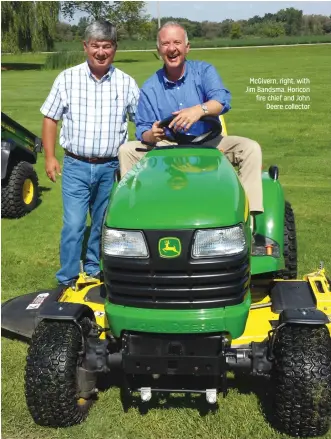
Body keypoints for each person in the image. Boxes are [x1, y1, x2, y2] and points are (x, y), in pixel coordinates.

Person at [119, 21, 263, 223]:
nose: (172, 49)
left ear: (187, 47)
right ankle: (131, 218)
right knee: (126, 150)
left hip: (208, 142)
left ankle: (248, 218)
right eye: (165, 43)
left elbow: (221, 101)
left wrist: (198, 110)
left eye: (177, 42)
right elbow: (142, 128)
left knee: (250, 148)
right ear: (159, 50)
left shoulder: (204, 72)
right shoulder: (151, 87)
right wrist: (152, 134)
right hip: (168, 145)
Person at [40, 20, 140, 288]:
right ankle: (68, 277)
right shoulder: (67, 78)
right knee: (73, 225)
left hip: (111, 168)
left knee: (102, 224)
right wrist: (50, 157)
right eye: (95, 45)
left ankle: (95, 269)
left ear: (115, 49)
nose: (100, 52)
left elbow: (141, 123)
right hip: (76, 166)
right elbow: (50, 118)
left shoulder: (126, 83)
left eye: (106, 46)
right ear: (85, 47)